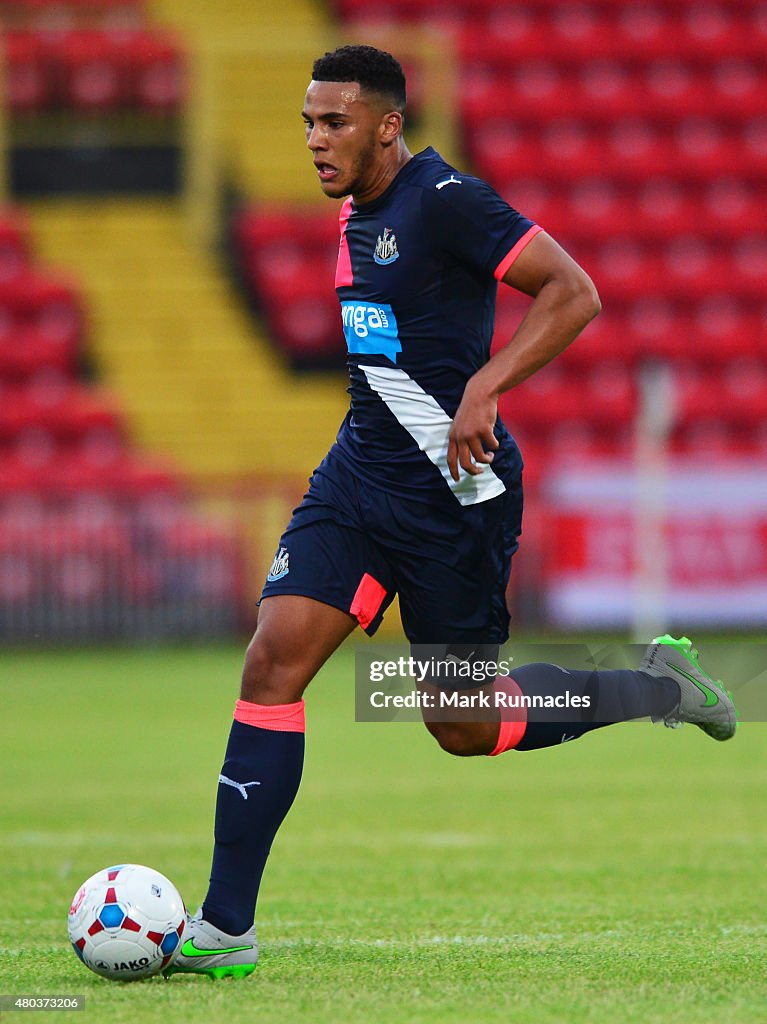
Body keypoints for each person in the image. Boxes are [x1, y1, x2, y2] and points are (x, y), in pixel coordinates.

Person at [165, 45, 737, 980]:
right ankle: (226, 929)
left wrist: (487, 382)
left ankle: (655, 686)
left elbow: (574, 291)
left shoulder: (445, 200)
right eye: (307, 122)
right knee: (271, 662)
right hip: (358, 481)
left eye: (333, 122)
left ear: (387, 124)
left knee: (464, 725)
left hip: (457, 501)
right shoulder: (351, 212)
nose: (315, 140)